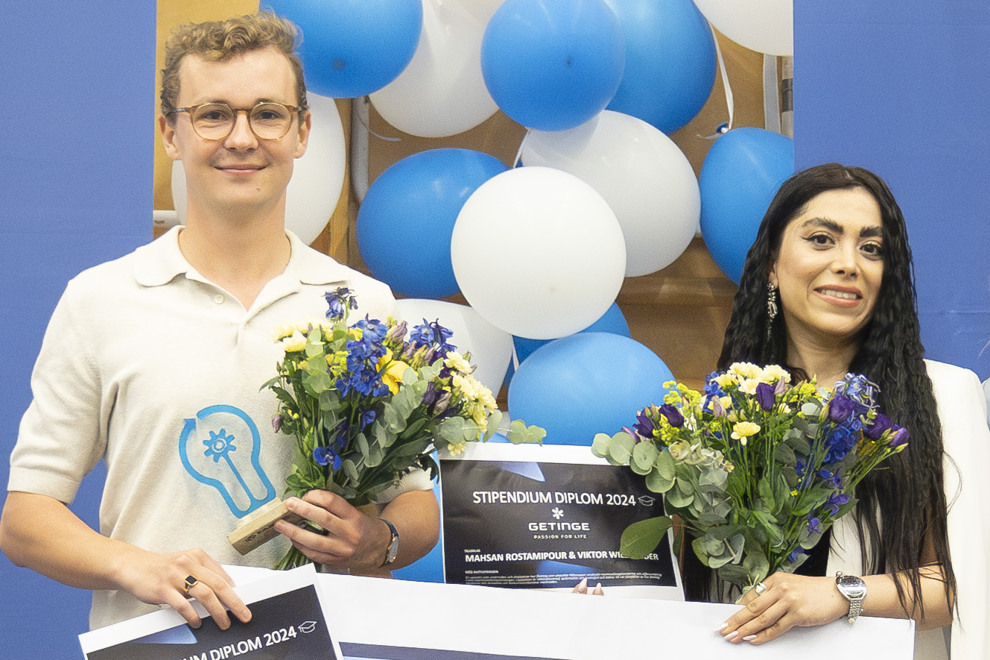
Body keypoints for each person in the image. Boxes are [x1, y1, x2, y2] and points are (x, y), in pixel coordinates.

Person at [0, 13, 439, 632]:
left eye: (267, 113)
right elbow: (26, 520)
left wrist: (377, 540)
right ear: (170, 133)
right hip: (161, 644)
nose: (241, 137)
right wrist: (139, 568)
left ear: (302, 130)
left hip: (329, 639)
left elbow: (417, 503)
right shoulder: (100, 299)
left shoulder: (364, 305)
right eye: (213, 114)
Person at [693, 163, 990, 658]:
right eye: (822, 239)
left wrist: (839, 594)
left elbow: (964, 589)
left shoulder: (943, 395)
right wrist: (620, 593)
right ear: (771, 262)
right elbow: (693, 586)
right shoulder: (724, 409)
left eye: (871, 249)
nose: (849, 263)